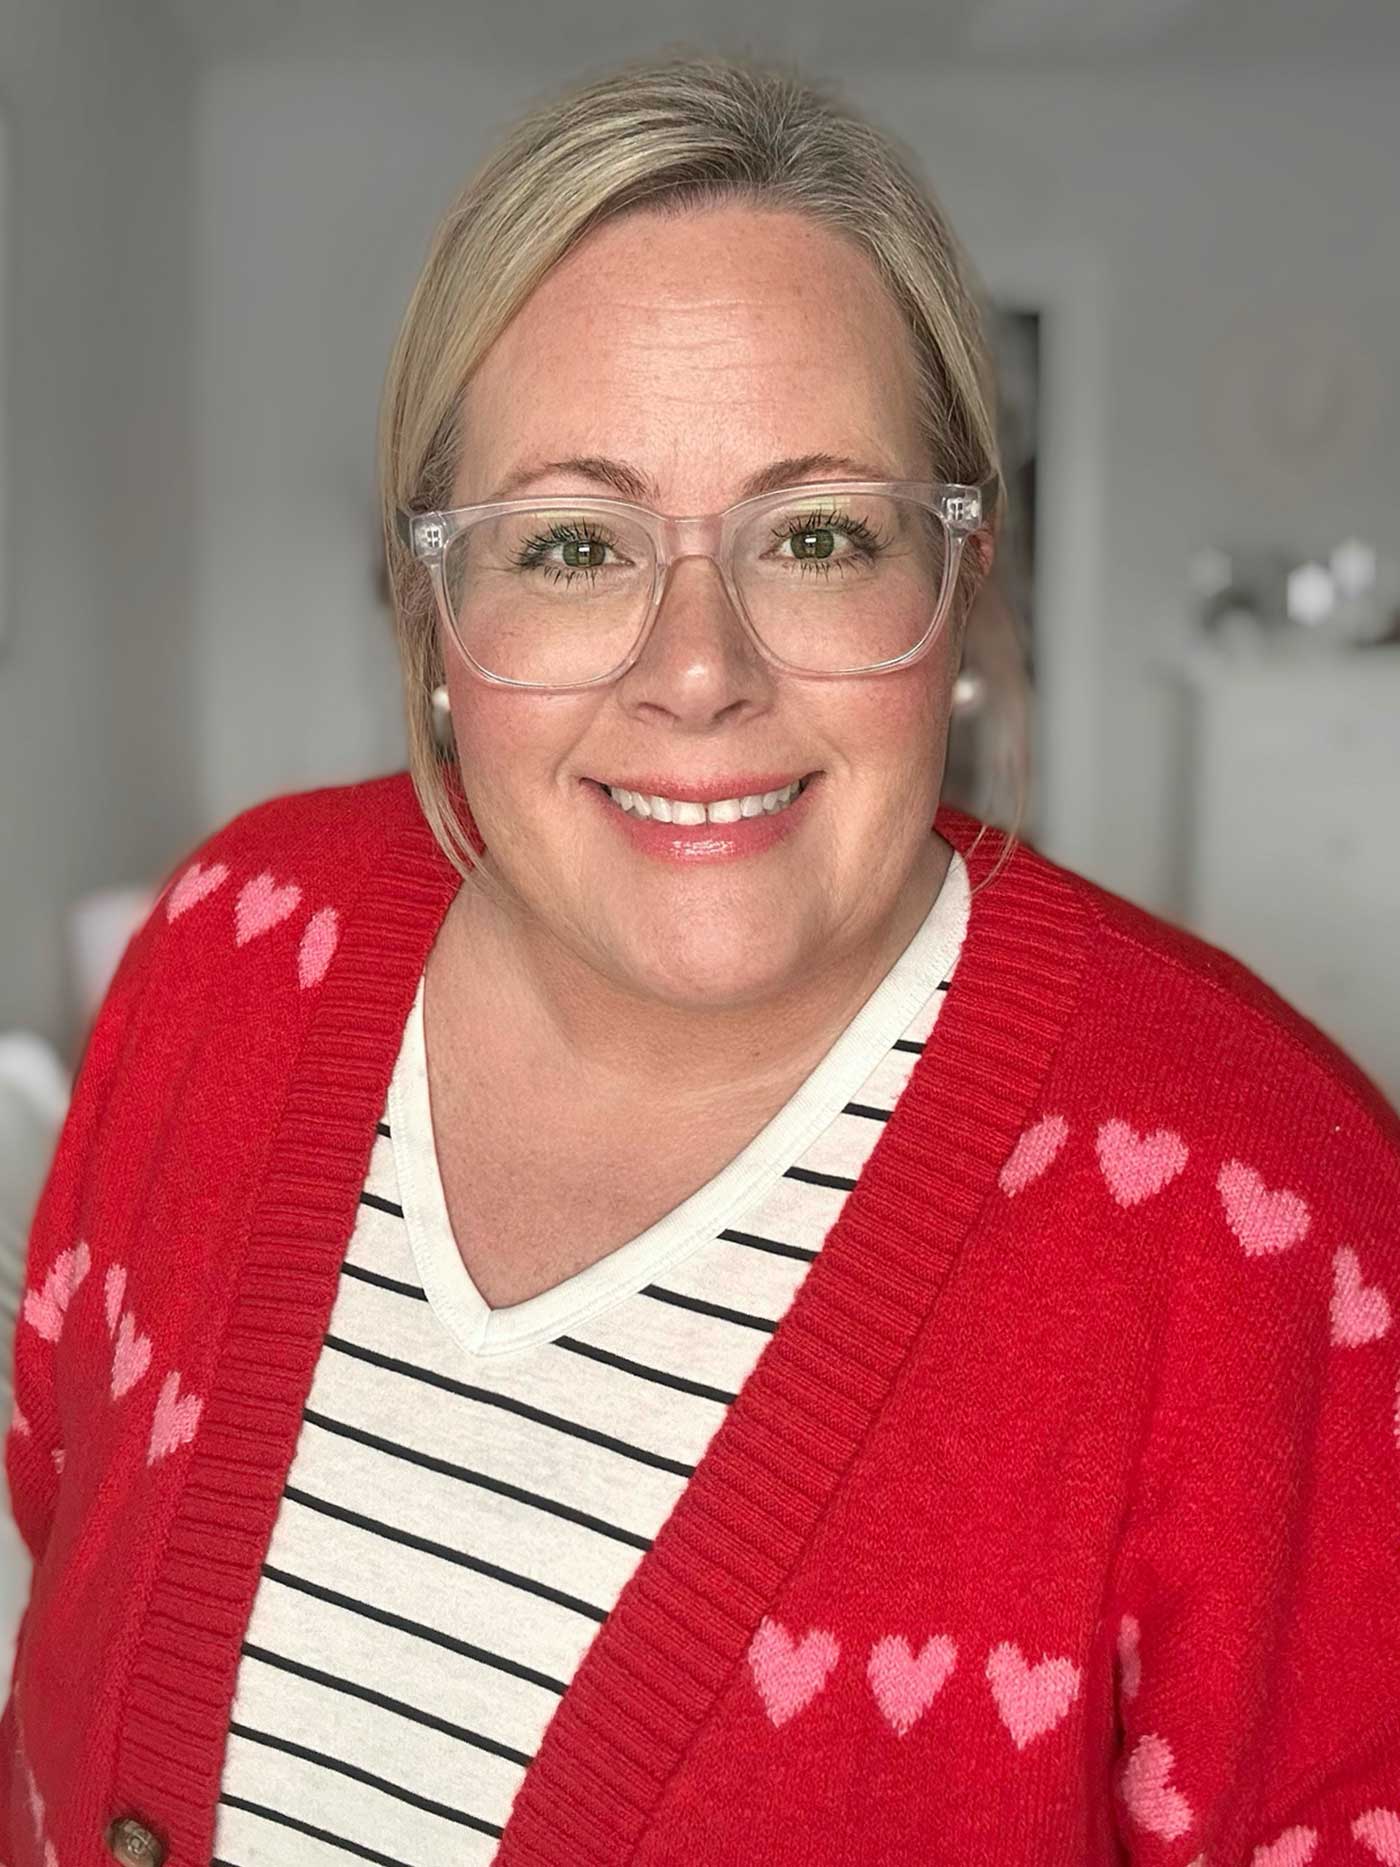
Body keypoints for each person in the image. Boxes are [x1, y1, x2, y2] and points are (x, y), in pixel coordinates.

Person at [3, 49, 1399, 1867]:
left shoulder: (1272, 1218)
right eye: (572, 544)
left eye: (818, 535)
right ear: (434, 613)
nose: (696, 669)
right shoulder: (230, 950)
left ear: (959, 586)